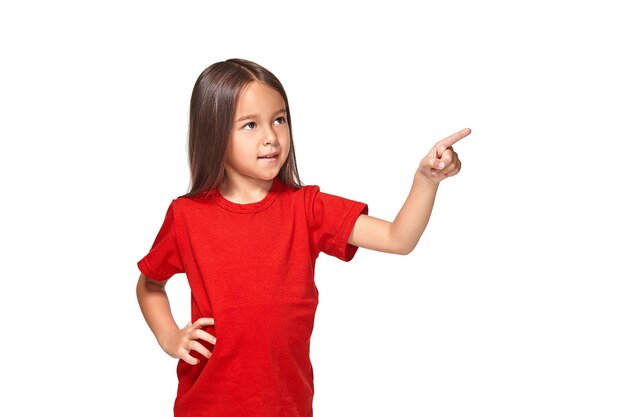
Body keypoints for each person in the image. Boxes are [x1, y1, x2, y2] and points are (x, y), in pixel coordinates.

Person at [136, 58, 470, 417]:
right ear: (214, 132)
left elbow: (397, 238)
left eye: (279, 120)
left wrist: (425, 181)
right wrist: (170, 336)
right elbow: (150, 284)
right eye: (250, 125)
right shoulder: (187, 215)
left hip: (287, 407)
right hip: (205, 407)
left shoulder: (307, 207)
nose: (271, 136)